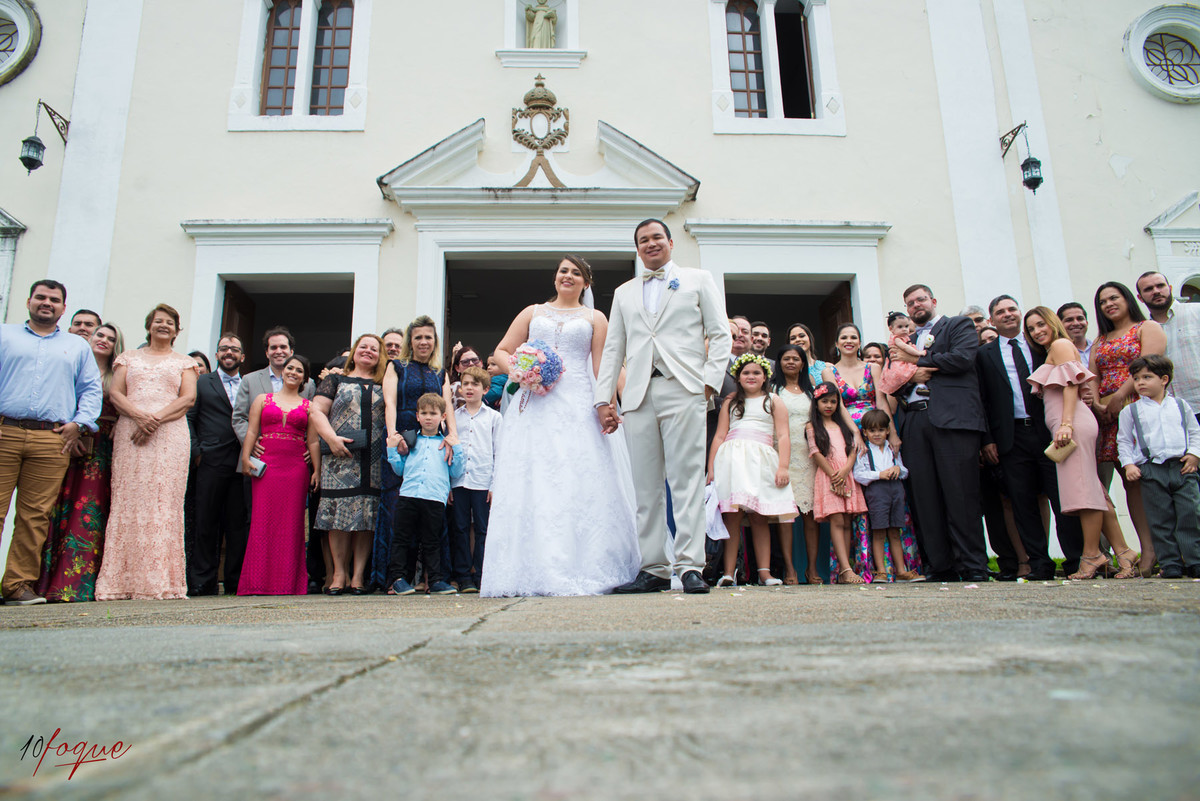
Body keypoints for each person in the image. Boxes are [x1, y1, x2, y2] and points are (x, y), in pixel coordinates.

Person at [485, 255, 641, 596]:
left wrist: (609, 404)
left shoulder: (595, 318)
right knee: (536, 479)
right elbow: (501, 351)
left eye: (575, 273)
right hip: (535, 407)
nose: (567, 276)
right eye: (562, 271)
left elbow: (602, 367)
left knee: (577, 478)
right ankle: (532, 566)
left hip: (578, 406)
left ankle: (581, 563)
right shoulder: (533, 312)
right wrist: (521, 369)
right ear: (555, 278)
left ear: (586, 283)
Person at [595, 220, 733, 595]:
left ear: (670, 242)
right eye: (643, 240)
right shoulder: (624, 292)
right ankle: (653, 568)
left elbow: (721, 334)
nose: (651, 244)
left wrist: (708, 382)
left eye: (657, 237)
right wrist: (603, 398)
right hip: (638, 394)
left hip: (685, 388)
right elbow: (614, 350)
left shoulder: (699, 279)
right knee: (645, 485)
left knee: (686, 479)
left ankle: (690, 566)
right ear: (637, 249)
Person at [0, 281, 103, 605]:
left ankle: (17, 585)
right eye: (41, 298)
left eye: (54, 300)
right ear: (29, 301)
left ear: (63, 307)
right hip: (5, 430)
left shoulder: (76, 346)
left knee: (35, 515)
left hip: (51, 438)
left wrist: (80, 423)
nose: (47, 303)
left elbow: (90, 389)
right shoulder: (5, 336)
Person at [95, 303, 199, 601]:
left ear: (177, 330)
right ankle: (119, 582)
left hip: (169, 435)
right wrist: (140, 417)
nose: (163, 325)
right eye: (158, 321)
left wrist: (154, 420)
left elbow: (188, 398)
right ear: (148, 326)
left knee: (163, 501)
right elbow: (116, 393)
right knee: (129, 500)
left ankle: (162, 581)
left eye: (169, 322)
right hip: (131, 433)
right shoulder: (128, 358)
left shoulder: (184, 363)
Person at [1025, 307, 1138, 580]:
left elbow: (1070, 386)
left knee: (1085, 494)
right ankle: (1124, 552)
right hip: (1070, 425)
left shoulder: (1061, 344)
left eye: (1041, 324)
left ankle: (1091, 555)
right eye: (1031, 329)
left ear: (1052, 323)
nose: (1037, 331)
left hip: (1072, 425)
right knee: (1095, 490)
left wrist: (1065, 424)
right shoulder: (1056, 348)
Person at [976, 295, 1083, 580]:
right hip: (1010, 437)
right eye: (1000, 312)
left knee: (1062, 498)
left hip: (1047, 431)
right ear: (991, 320)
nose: (1007, 314)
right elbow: (983, 401)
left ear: (1019, 313)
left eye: (1012, 309)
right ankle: (1039, 563)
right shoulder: (984, 355)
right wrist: (987, 440)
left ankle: (1075, 560)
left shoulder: (1041, 346)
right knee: (1022, 503)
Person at [890, 284, 989, 583]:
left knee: (960, 493)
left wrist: (917, 362)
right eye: (910, 303)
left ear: (933, 301)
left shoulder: (957, 325)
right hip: (915, 422)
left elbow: (961, 359)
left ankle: (972, 565)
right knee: (925, 496)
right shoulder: (905, 340)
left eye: (921, 299)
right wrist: (909, 375)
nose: (916, 305)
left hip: (952, 420)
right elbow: (892, 381)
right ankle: (939, 565)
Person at [37, 323, 122, 602]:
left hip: (100, 451)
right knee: (53, 508)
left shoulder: (117, 376)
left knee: (88, 511)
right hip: (65, 441)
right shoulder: (72, 368)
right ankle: (41, 582)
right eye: (100, 335)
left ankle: (74, 585)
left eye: (111, 339)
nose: (104, 341)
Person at [1088, 281, 1166, 576]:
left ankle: (1162, 550)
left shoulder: (1147, 328)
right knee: (1129, 483)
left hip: (1139, 409)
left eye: (1114, 298)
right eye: (1103, 301)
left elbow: (1151, 366)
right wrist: (1098, 403)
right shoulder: (1101, 339)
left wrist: (1121, 396)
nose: (1109, 304)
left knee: (1150, 482)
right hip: (1109, 416)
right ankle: (1145, 549)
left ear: (1127, 299)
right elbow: (1093, 374)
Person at [378, 316, 457, 590]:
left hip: (433, 443)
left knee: (432, 517)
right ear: (410, 341)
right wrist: (392, 434)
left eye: (428, 337)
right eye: (418, 337)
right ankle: (395, 578)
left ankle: (431, 579)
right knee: (397, 514)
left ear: (434, 342)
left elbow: (447, 408)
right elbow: (389, 402)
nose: (424, 342)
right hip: (401, 442)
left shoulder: (440, 374)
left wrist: (452, 436)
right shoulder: (396, 366)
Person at [708, 354, 797, 587]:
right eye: (746, 373)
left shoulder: (773, 401)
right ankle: (728, 572)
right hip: (733, 461)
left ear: (765, 376)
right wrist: (712, 468)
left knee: (759, 517)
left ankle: (764, 572)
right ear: (737, 376)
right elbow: (719, 435)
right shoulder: (731, 401)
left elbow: (783, 435)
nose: (751, 376)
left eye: (756, 372)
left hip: (761, 462)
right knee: (731, 517)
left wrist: (783, 466)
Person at [311, 334, 386, 595]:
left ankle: (358, 575)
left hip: (373, 458)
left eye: (374, 349)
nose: (368, 351)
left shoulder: (383, 381)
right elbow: (316, 411)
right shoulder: (335, 379)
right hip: (339, 457)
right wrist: (331, 438)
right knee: (338, 516)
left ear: (381, 355)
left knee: (366, 515)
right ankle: (339, 573)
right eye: (363, 347)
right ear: (354, 352)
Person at [239, 355, 321, 594]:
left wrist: (316, 469)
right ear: (283, 371)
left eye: (298, 370)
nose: (293, 372)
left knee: (292, 524)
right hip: (267, 467)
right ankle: (257, 582)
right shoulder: (262, 400)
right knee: (262, 522)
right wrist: (245, 457)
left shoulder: (309, 406)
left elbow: (313, 441)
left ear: (305, 378)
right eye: (290, 368)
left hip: (295, 468)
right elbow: (252, 430)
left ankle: (287, 583)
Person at [1117, 355, 1200, 579]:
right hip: (1152, 470)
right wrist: (1129, 464)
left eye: (1147, 377)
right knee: (1159, 517)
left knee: (1190, 514)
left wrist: (1194, 454)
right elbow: (1123, 441)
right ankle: (1170, 562)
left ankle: (1194, 560)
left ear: (1164, 379)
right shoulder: (1131, 411)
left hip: (1183, 468)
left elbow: (1195, 432)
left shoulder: (1181, 406)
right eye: (1136, 378)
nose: (1140, 382)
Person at [185, 334, 249, 596]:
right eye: (224, 349)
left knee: (237, 525)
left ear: (242, 356)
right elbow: (190, 418)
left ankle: (234, 581)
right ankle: (203, 580)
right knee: (206, 522)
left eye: (234, 349)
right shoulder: (202, 382)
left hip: (242, 461)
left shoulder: (250, 383)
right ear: (217, 354)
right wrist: (197, 451)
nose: (229, 353)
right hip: (210, 460)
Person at [385, 393, 464, 595]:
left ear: (443, 416)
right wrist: (392, 451)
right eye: (424, 413)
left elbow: (455, 472)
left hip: (434, 497)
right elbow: (400, 470)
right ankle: (398, 579)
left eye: (433, 413)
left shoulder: (446, 443)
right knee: (402, 538)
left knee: (432, 540)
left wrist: (457, 448)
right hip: (409, 494)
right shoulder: (410, 441)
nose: (429, 417)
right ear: (417, 416)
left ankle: (436, 580)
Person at [806, 382, 868, 584]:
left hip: (845, 474)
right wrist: (834, 475)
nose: (829, 405)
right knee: (837, 519)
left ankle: (844, 569)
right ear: (816, 403)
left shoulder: (842, 425)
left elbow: (852, 450)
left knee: (847, 520)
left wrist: (846, 470)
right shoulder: (812, 426)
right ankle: (846, 569)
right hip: (828, 476)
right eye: (824, 401)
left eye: (833, 401)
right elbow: (815, 453)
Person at [853, 409, 923, 582]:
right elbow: (859, 475)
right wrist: (879, 474)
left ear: (887, 431)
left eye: (881, 430)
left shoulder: (892, 449)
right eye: (872, 431)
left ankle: (901, 570)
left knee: (894, 531)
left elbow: (904, 471)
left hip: (896, 491)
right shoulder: (864, 451)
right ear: (865, 432)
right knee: (878, 531)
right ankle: (881, 571)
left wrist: (898, 470)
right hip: (877, 492)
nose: (877, 434)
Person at [449, 366, 501, 593]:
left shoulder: (494, 418)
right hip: (459, 481)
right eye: (466, 384)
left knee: (482, 529)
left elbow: (499, 452)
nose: (469, 388)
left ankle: (481, 574)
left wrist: (494, 485)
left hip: (482, 481)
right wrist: (448, 483)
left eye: (475, 384)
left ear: (485, 389)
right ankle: (463, 576)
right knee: (459, 528)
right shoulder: (454, 418)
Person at [771, 344, 819, 585]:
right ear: (779, 363)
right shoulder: (773, 389)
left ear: (803, 363)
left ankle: (811, 569)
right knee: (786, 516)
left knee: (810, 516)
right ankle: (789, 569)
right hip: (782, 456)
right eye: (786, 358)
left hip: (810, 456)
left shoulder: (811, 390)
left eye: (796, 359)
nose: (791, 362)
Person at [1136, 272, 1200, 422]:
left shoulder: (1196, 312)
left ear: (1170, 288)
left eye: (1160, 286)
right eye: (1148, 289)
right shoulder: (1141, 330)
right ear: (1140, 298)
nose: (1156, 291)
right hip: (1171, 412)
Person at [829, 323, 891, 428]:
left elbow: (882, 403)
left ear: (859, 343)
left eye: (853, 337)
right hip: (847, 431)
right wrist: (855, 433)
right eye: (844, 337)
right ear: (837, 344)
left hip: (875, 430)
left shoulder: (873, 368)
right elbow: (838, 406)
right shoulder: (830, 372)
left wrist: (892, 432)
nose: (849, 341)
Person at [878, 312, 924, 396]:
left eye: (906, 326)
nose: (904, 329)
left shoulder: (905, 338)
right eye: (900, 327)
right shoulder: (897, 339)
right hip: (900, 363)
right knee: (911, 372)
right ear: (891, 329)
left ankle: (920, 387)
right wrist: (918, 353)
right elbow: (905, 348)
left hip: (905, 360)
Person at [787, 323, 833, 387]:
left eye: (802, 336)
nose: (797, 340)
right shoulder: (787, 372)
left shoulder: (828, 367)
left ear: (810, 339)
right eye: (793, 338)